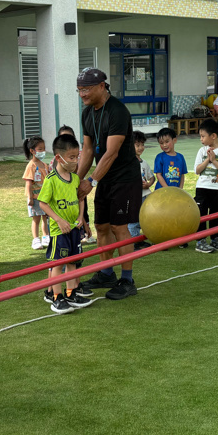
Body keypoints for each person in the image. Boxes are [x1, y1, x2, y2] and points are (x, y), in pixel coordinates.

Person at [76, 68, 142, 300]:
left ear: (102, 86)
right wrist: (75, 181)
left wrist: (92, 180)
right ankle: (106, 274)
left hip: (124, 177)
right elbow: (87, 151)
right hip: (104, 177)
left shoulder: (118, 111)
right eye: (79, 90)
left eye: (86, 89)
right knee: (102, 226)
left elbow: (112, 153)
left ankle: (127, 280)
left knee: (119, 227)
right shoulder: (87, 113)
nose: (82, 94)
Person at [37, 133, 93, 315]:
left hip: (74, 229)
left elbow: (81, 198)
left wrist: (81, 218)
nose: (75, 161)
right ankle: (56, 297)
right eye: (71, 157)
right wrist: (59, 220)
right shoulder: (51, 180)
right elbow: (43, 203)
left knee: (73, 263)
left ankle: (71, 293)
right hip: (59, 231)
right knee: (58, 263)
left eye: (77, 157)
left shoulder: (75, 179)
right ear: (58, 157)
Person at [193, 118, 218, 254]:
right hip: (202, 188)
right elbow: (197, 170)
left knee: (217, 215)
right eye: (200, 136)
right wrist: (207, 160)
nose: (201, 139)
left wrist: (214, 161)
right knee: (201, 214)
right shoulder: (202, 151)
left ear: (213, 136)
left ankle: (215, 239)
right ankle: (200, 241)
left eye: (203, 136)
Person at [60, 125, 96, 244]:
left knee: (82, 210)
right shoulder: (57, 160)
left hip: (79, 189)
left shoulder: (80, 155)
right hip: (63, 196)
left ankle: (84, 232)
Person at [22, 136, 51, 250]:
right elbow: (28, 182)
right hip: (35, 197)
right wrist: (30, 198)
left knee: (45, 217)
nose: (43, 151)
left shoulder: (44, 165)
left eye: (43, 148)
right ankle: (35, 240)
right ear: (32, 151)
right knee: (36, 218)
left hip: (44, 197)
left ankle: (46, 237)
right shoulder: (31, 166)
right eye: (40, 149)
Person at [128, 131, 156, 249]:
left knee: (146, 217)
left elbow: (152, 177)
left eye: (142, 144)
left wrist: (148, 184)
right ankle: (134, 242)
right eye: (137, 145)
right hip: (134, 196)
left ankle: (141, 239)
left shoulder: (144, 163)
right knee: (133, 219)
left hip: (146, 195)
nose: (141, 148)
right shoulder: (128, 163)